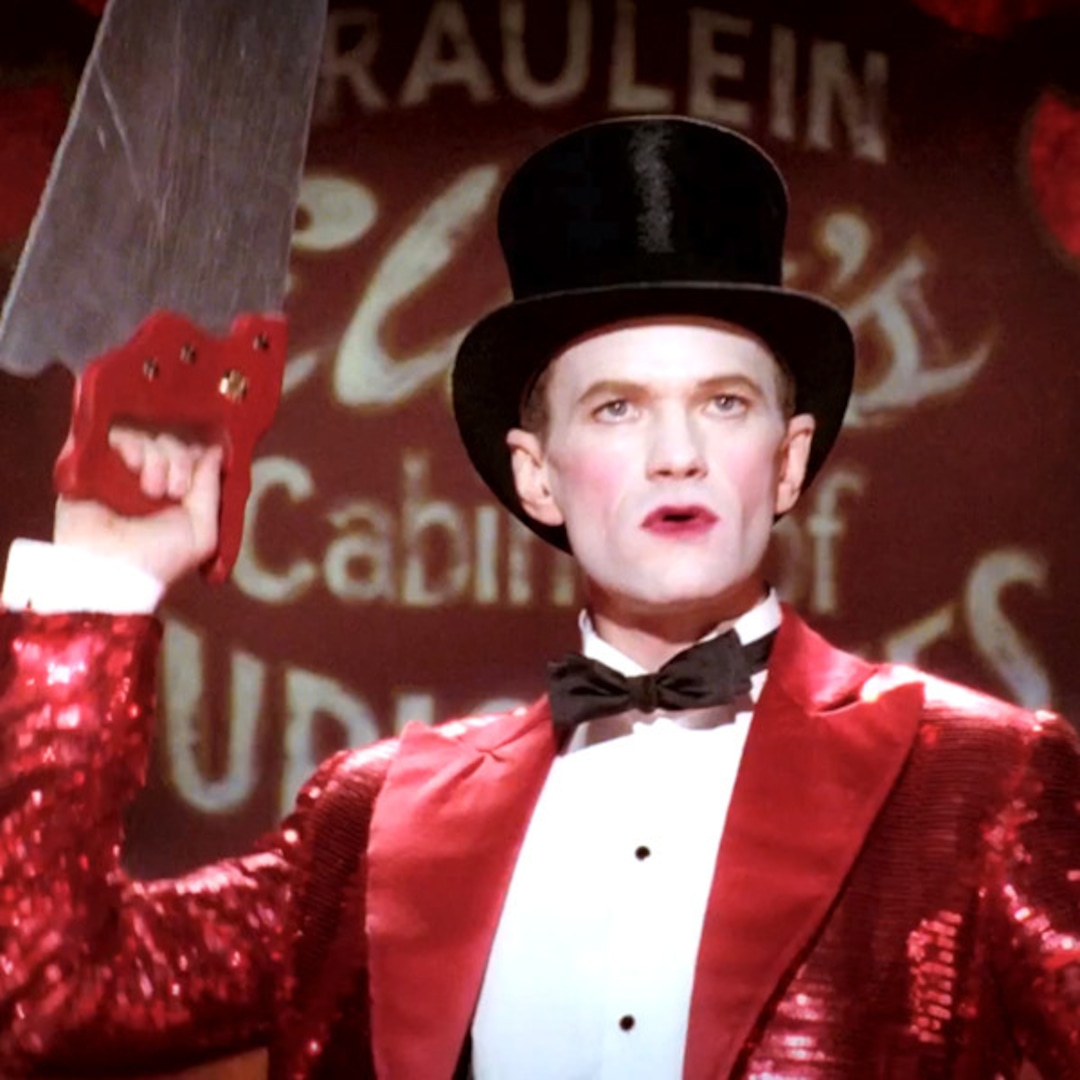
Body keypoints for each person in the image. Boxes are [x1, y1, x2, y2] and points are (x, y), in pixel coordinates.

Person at [1, 116, 1078, 1079]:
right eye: (616, 408)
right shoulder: (371, 821)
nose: (676, 454)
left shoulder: (977, 779)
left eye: (724, 403)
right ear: (537, 477)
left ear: (789, 461)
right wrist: (105, 578)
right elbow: (46, 999)